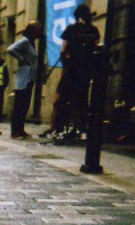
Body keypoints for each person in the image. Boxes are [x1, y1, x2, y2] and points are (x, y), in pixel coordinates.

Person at [48, 4, 99, 138]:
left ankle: (58, 128)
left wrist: (65, 68)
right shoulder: (93, 30)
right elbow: (95, 50)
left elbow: (63, 50)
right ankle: (81, 128)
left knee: (63, 98)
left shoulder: (70, 30)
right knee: (81, 99)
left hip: (71, 70)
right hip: (85, 71)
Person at [7, 21, 42, 139]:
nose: (39, 31)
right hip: (23, 76)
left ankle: (20, 130)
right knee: (19, 104)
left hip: (30, 76)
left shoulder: (31, 43)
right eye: (38, 29)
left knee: (25, 105)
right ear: (32, 30)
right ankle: (15, 132)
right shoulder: (25, 41)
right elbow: (10, 49)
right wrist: (21, 58)